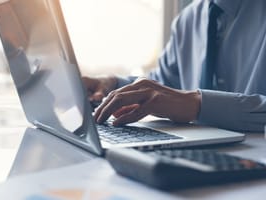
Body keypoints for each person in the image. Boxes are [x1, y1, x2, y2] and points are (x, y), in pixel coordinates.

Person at [83, 0, 266, 132]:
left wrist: (197, 104)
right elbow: (164, 88)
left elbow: (179, 99)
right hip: (197, 158)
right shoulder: (188, 19)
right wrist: (113, 84)